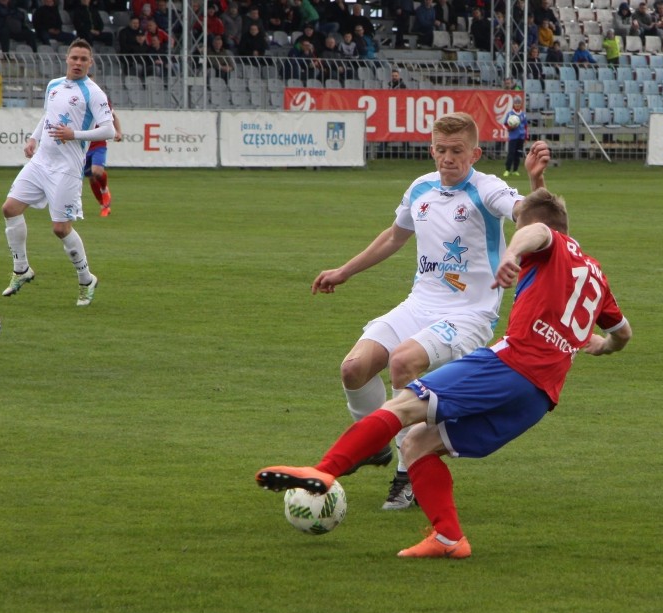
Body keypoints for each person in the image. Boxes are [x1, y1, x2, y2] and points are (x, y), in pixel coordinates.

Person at [255, 188, 632, 558]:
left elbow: (539, 232)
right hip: (538, 399)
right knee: (417, 443)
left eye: (516, 226)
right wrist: (601, 345)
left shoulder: (544, 240)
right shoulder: (596, 275)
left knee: (403, 405)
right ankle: (449, 538)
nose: (515, 236)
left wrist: (513, 253)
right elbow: (623, 333)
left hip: (508, 365)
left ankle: (324, 470)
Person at [304, 113, 549, 511]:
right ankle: (374, 443)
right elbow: (394, 236)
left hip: (468, 314)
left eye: (457, 151)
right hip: (419, 305)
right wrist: (344, 271)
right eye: (440, 150)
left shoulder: (487, 189)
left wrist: (537, 182)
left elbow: (530, 215)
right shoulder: (421, 188)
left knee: (403, 362)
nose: (447, 159)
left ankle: (407, 474)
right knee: (353, 368)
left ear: (475, 153)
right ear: (431, 149)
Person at [0, 39, 115, 307]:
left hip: (66, 168)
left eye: (83, 59)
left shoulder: (93, 93)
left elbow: (109, 130)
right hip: (41, 162)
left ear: (90, 62)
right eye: (74, 58)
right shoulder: (54, 85)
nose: (78, 63)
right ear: (67, 58)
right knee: (9, 208)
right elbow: (47, 116)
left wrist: (75, 134)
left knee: (61, 228)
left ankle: (86, 279)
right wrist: (33, 138)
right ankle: (21, 270)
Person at [84, 107, 123, 218]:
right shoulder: (77, 99)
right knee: (91, 177)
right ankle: (103, 206)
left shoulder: (101, 99)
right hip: (83, 146)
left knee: (96, 171)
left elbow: (114, 116)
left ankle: (104, 189)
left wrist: (118, 132)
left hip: (99, 144)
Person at [503, 95, 527, 177]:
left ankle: (515, 170)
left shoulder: (523, 115)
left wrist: (526, 137)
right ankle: (507, 170)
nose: (517, 105)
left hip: (521, 137)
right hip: (513, 137)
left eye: (519, 103)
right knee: (511, 153)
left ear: (521, 104)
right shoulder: (510, 114)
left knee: (518, 154)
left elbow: (526, 126)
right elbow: (505, 124)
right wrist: (510, 127)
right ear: (513, 104)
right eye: (516, 103)